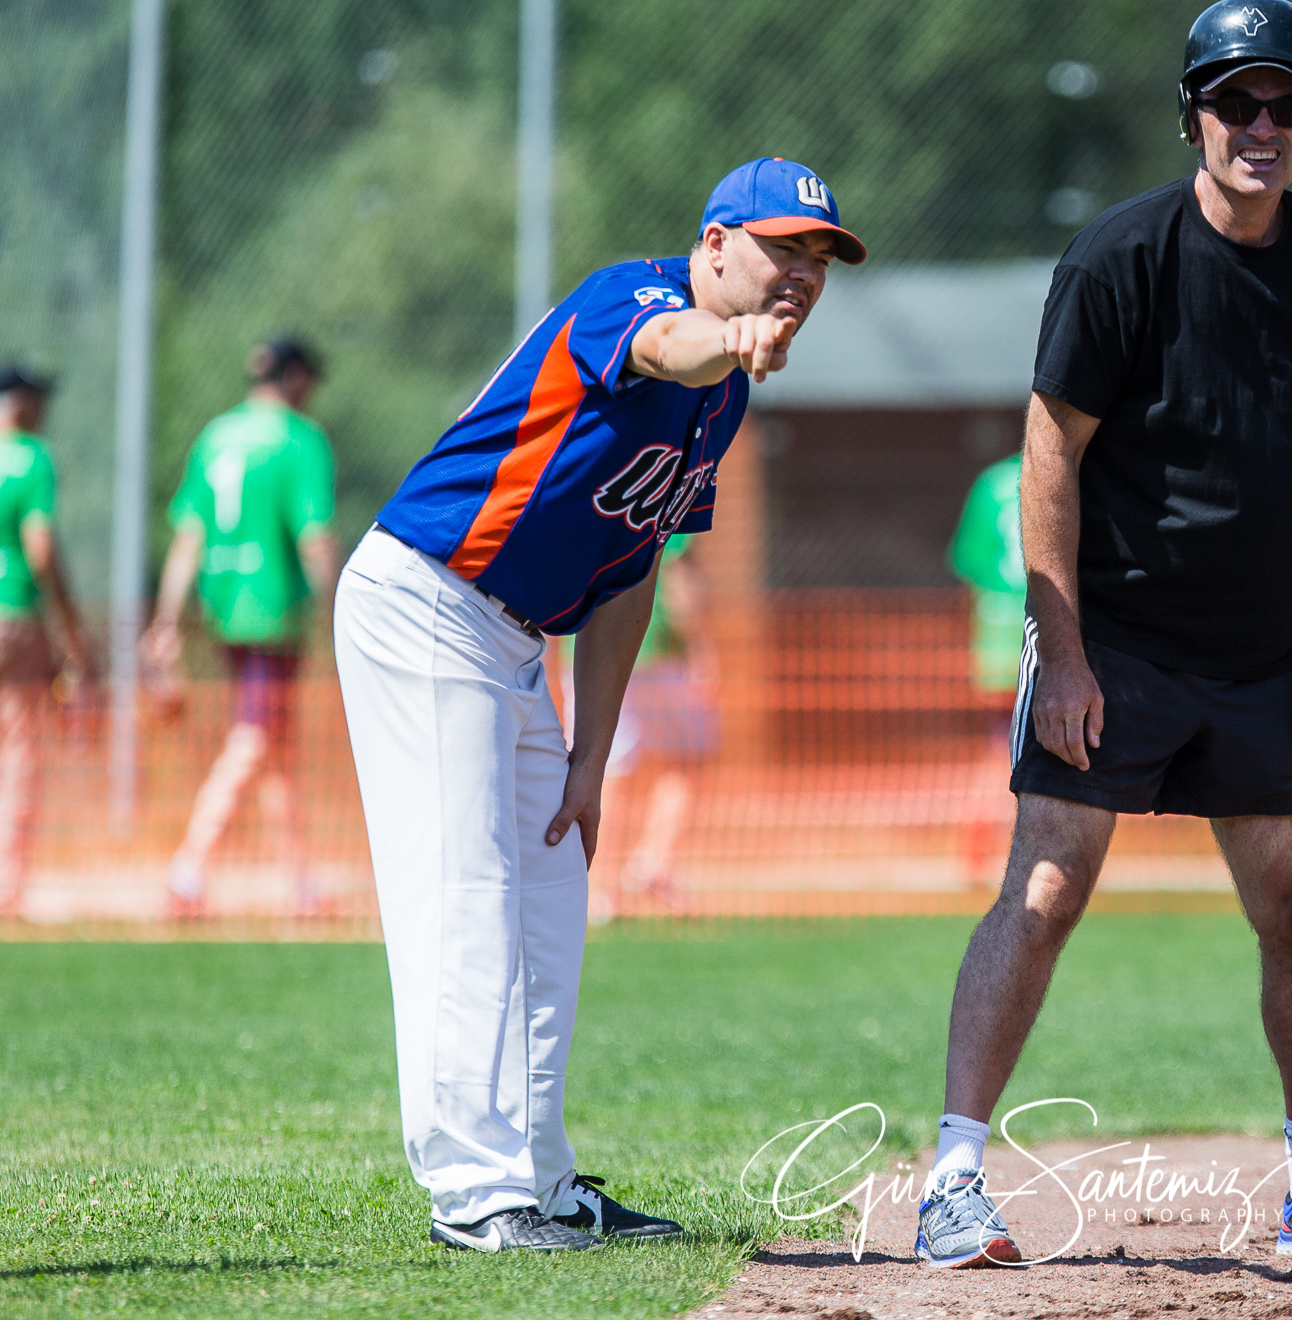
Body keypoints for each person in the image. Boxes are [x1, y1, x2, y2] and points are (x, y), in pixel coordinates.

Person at [917, 0, 1292, 1269]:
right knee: (1049, 882)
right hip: (1113, 639)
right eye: (1235, 99)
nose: (1260, 124)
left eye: (1286, 103)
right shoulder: (1119, 258)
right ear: (1192, 114)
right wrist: (1060, 649)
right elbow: (1046, 452)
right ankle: (951, 1178)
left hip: (1256, 657)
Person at [334, 157, 862, 1253]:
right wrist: (737, 338)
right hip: (427, 601)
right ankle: (477, 1197)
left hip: (513, 642)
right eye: (780, 249)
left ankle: (537, 1176)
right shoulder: (637, 301)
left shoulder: (725, 396)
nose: (801, 274)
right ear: (713, 244)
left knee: (546, 904)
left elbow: (634, 564)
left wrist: (590, 759)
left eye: (817, 258)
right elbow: (666, 347)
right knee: (466, 898)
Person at [146, 338, 338, 919]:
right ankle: (189, 866)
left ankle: (299, 878)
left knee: (275, 743)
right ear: (298, 377)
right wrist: (340, 613)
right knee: (255, 738)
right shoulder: (299, 439)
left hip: (222, 605)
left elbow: (187, 538)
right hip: (272, 608)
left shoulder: (216, 436)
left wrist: (166, 621)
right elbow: (316, 538)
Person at [0, 366, 94, 914]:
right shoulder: (32, 458)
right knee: (20, 747)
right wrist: (70, 628)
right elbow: (40, 550)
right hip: (13, 613)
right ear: (22, 402)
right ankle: (9, 886)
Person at [591, 533, 720, 917]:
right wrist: (700, 645)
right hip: (660, 653)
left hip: (590, 650)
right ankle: (652, 864)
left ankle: (601, 887)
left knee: (602, 767)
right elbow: (680, 579)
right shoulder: (672, 488)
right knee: (685, 757)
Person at [948, 450, 1024, 882]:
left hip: (996, 636)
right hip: (1052, 630)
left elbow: (971, 568)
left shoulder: (992, 481)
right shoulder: (1072, 469)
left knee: (1001, 747)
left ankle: (978, 854)